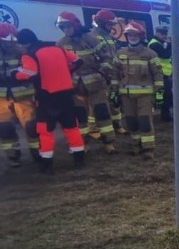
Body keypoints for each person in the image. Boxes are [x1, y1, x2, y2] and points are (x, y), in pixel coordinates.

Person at [15, 28, 86, 173]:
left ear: (24, 43)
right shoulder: (57, 48)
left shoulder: (30, 55)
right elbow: (78, 61)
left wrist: (15, 73)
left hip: (47, 99)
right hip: (66, 96)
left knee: (45, 131)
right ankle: (79, 159)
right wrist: (68, 71)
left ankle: (46, 164)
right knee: (72, 128)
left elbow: (28, 74)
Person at [55, 11, 116, 154]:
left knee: (102, 112)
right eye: (63, 27)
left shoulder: (91, 40)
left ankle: (109, 142)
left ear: (75, 24)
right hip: (75, 86)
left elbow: (107, 57)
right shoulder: (61, 44)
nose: (65, 30)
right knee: (80, 116)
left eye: (67, 26)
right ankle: (83, 143)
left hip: (96, 83)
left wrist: (103, 72)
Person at [115, 21, 164, 156]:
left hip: (145, 95)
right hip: (126, 95)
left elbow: (158, 73)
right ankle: (136, 145)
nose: (132, 37)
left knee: (144, 122)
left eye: (135, 35)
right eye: (129, 35)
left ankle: (148, 148)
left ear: (140, 36)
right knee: (131, 122)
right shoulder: (120, 53)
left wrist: (159, 92)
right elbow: (115, 73)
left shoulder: (150, 54)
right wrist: (113, 92)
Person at [0, 24, 39, 167]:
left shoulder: (23, 52)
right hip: (2, 98)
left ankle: (38, 154)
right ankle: (13, 157)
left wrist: (16, 76)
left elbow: (32, 72)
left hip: (24, 95)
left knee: (31, 127)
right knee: (5, 128)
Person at [91, 9, 128, 134]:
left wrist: (119, 68)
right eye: (110, 24)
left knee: (114, 100)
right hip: (100, 75)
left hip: (112, 74)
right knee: (99, 102)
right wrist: (101, 72)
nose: (112, 27)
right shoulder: (93, 36)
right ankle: (94, 127)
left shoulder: (109, 37)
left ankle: (117, 125)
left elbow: (114, 55)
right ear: (101, 23)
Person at [148, 24, 173, 122]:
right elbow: (166, 55)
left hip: (163, 74)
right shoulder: (154, 44)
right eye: (162, 34)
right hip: (159, 74)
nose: (165, 36)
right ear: (157, 33)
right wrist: (170, 44)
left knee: (166, 96)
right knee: (166, 96)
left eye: (165, 33)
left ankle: (165, 115)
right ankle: (165, 117)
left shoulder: (159, 43)